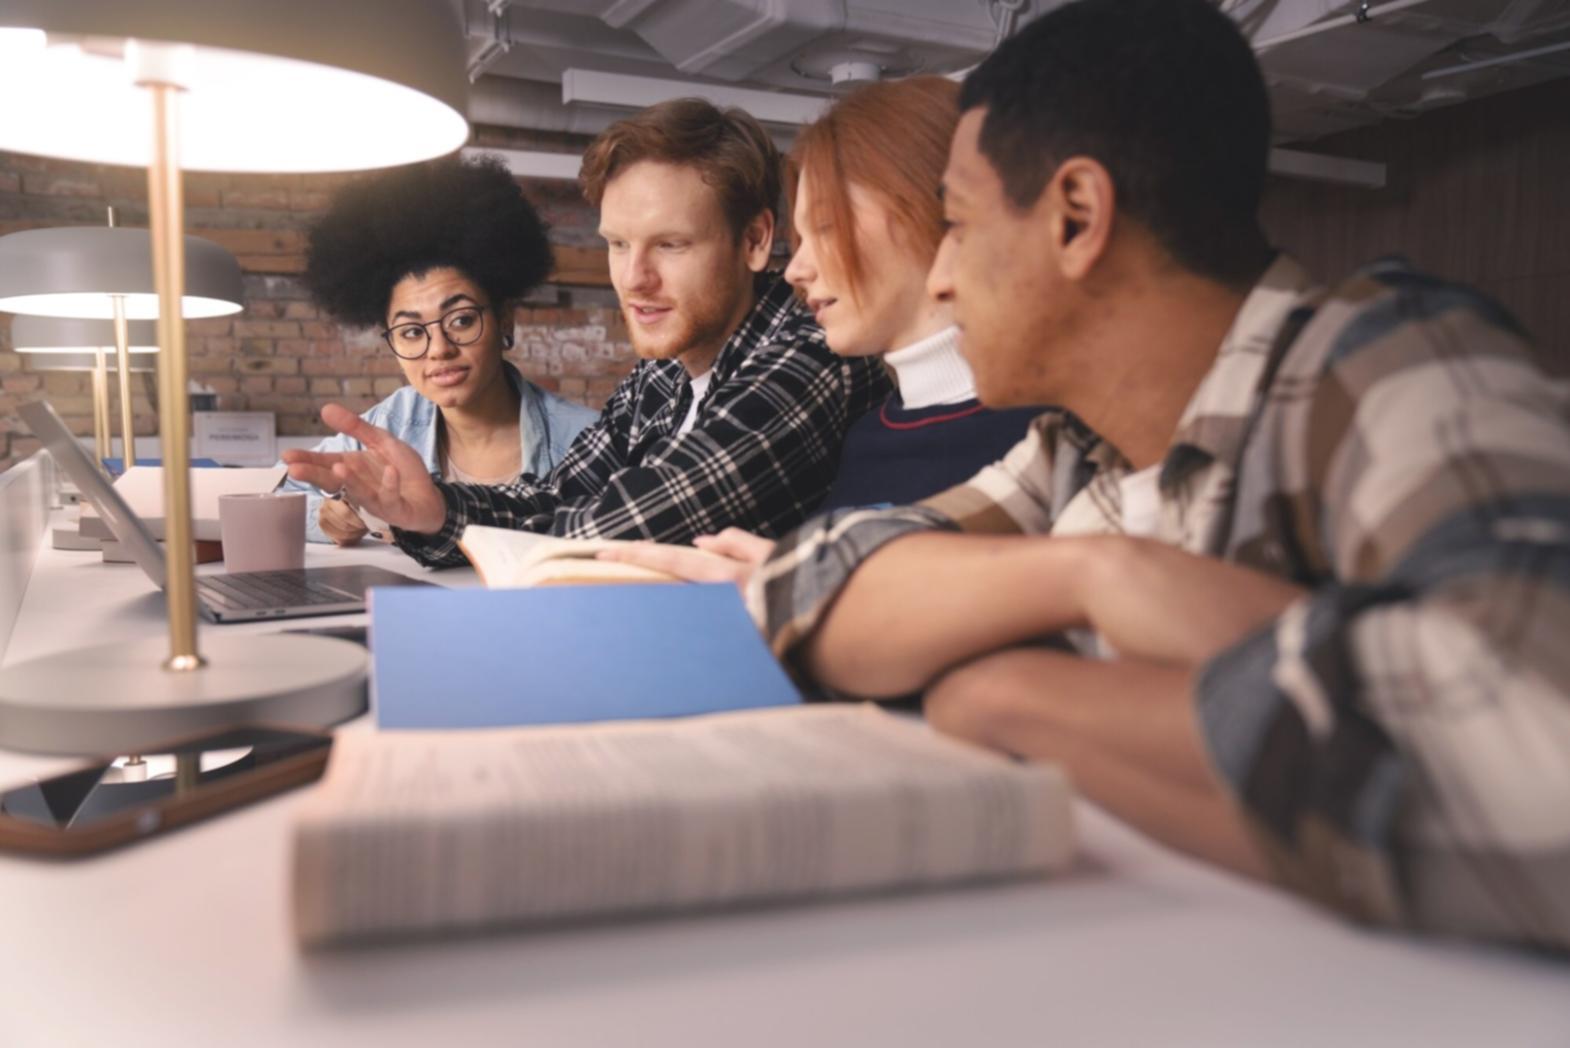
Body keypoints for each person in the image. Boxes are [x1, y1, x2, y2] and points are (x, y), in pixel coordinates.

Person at [749, 0, 1570, 952]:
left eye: (962, 226)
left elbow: (1536, 755)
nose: (941, 280)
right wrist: (1103, 576)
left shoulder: (1392, 363)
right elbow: (810, 587)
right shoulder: (1078, 445)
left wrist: (1010, 695)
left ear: (1077, 218)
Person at [283, 99, 889, 565]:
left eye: (671, 245)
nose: (634, 279)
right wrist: (437, 510)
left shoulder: (811, 353)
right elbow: (557, 497)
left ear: (755, 241)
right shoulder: (660, 376)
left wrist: (446, 522)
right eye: (618, 245)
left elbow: (628, 526)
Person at [599, 77, 1039, 584]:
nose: (796, 270)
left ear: (932, 213)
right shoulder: (870, 435)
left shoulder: (1045, 434)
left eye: (826, 228)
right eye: (801, 237)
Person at [280, 157, 596, 545]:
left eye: (461, 320)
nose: (439, 350)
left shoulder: (585, 439)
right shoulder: (391, 424)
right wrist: (332, 517)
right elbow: (281, 496)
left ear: (504, 320)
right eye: (412, 331)